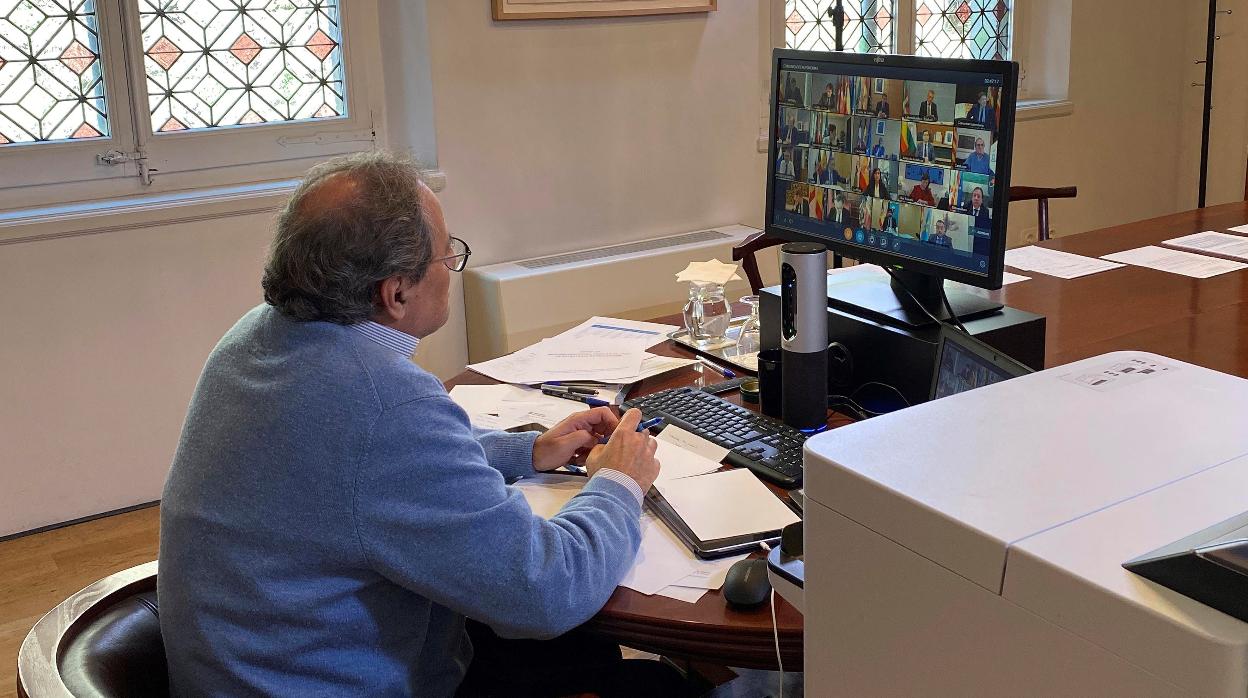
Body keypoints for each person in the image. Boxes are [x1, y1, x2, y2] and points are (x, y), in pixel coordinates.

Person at [158, 152, 688, 697]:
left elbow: (358, 464)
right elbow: (547, 592)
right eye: (446, 256)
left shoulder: (256, 337)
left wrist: (525, 452)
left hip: (254, 668)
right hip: (328, 681)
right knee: (658, 685)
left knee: (580, 654)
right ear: (396, 292)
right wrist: (620, 483)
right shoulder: (383, 404)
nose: (452, 268)